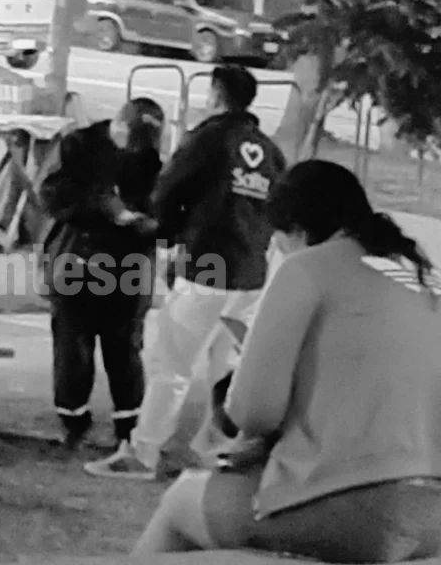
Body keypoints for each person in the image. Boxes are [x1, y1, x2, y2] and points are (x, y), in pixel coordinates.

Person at [134, 159, 441, 563]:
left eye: (278, 234)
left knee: (181, 501)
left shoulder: (307, 269)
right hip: (431, 511)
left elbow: (254, 411)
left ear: (296, 228)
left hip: (351, 504)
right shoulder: (421, 275)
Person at [84, 65, 286, 479]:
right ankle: (222, 450)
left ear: (215, 95)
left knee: (171, 365)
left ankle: (143, 453)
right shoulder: (270, 151)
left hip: (207, 266)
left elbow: (169, 188)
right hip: (250, 272)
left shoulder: (209, 139)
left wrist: (162, 229)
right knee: (228, 366)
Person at [38, 98, 164, 450]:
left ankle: (128, 429)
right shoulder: (77, 146)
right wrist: (105, 208)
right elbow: (50, 194)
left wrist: (149, 223)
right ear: (118, 126)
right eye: (132, 143)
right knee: (71, 349)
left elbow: (163, 204)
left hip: (129, 266)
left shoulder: (151, 159)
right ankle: (73, 423)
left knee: (124, 349)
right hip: (76, 259)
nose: (137, 153)